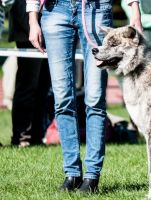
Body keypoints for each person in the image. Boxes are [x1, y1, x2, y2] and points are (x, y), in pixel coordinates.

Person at [26, 0, 142, 193]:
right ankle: (71, 174)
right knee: (62, 99)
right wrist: (33, 19)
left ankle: (92, 177)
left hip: (95, 9)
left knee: (95, 99)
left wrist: (135, 11)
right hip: (54, 10)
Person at [7, 0, 53, 147]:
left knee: (43, 86)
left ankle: (37, 135)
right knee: (28, 84)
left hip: (48, 25)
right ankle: (22, 136)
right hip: (28, 24)